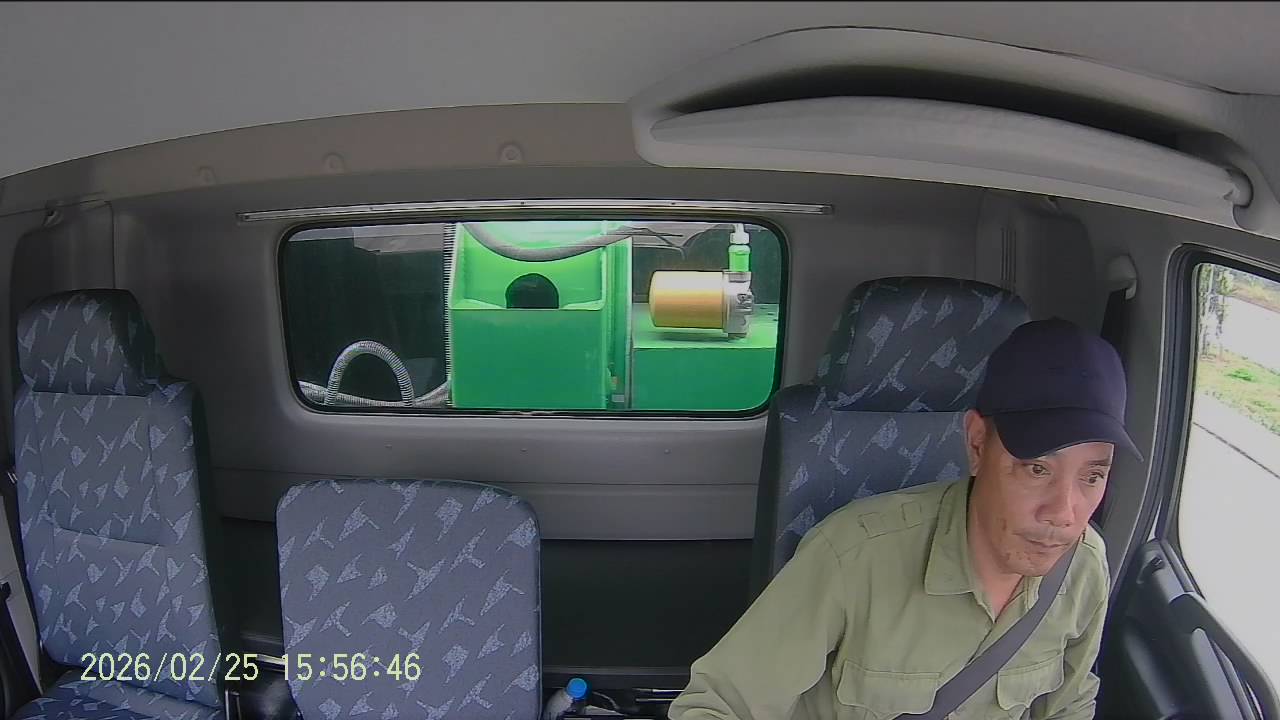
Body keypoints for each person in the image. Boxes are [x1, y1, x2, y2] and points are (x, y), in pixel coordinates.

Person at [668, 317, 1142, 720]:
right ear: (977, 443)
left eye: (1092, 476)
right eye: (1036, 469)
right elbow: (716, 707)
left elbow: (1067, 707)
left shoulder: (1083, 567)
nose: (1063, 513)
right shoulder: (853, 555)